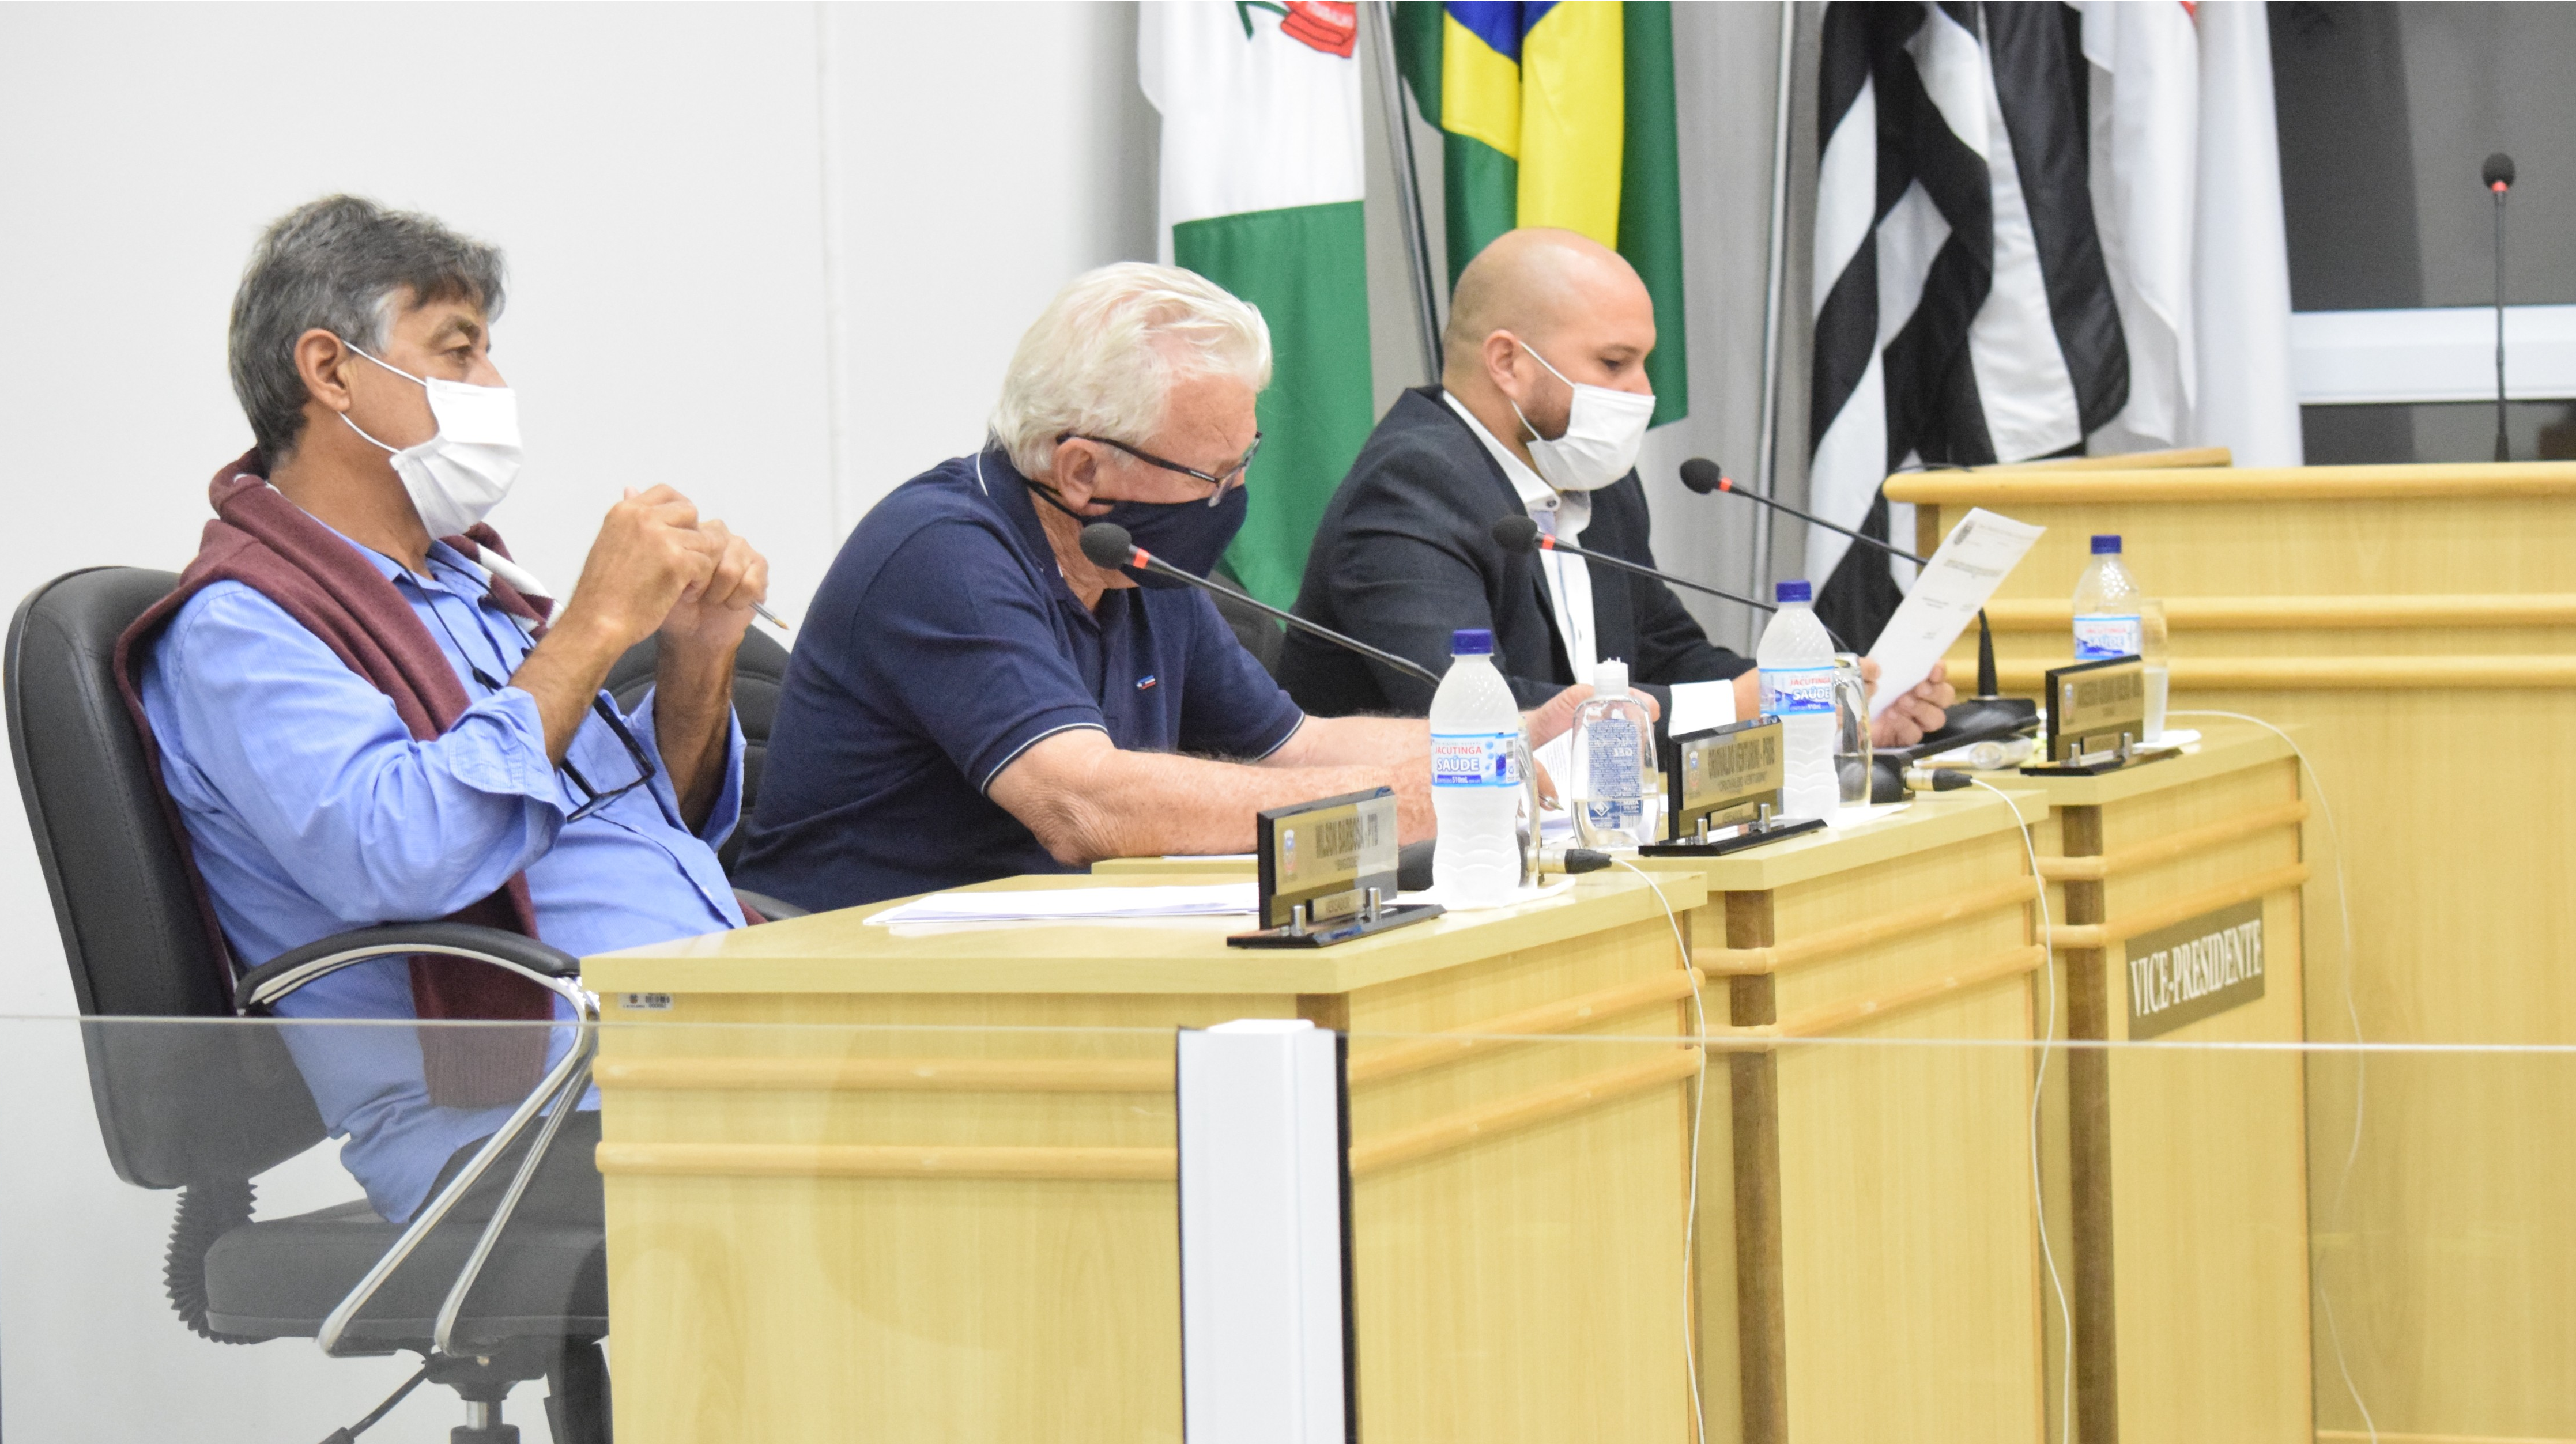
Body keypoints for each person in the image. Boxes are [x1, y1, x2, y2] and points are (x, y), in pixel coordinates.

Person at [124, 196, 768, 1226]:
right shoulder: (242, 630)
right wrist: (592, 629)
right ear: (330, 372)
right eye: (460, 352)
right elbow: (405, 853)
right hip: (521, 1122)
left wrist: (695, 659)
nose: (495, 388)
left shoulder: (472, 588)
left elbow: (654, 823)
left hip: (675, 1057)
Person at [734, 263, 1595, 914]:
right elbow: (1084, 803)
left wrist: (1502, 741)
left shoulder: (1131, 556)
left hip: (1037, 951)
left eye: (1243, 463)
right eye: (1211, 475)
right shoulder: (943, 556)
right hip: (854, 971)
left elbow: (1292, 746)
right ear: (1081, 471)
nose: (1232, 500)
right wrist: (1410, 798)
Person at [1281, 228, 1955, 746]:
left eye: (1643, 361)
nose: (1643, 392)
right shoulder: (1411, 487)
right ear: (1507, 362)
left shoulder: (1593, 476)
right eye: (1613, 362)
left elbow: (1669, 653)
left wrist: (1826, 702)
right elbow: (1474, 713)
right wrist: (1737, 706)